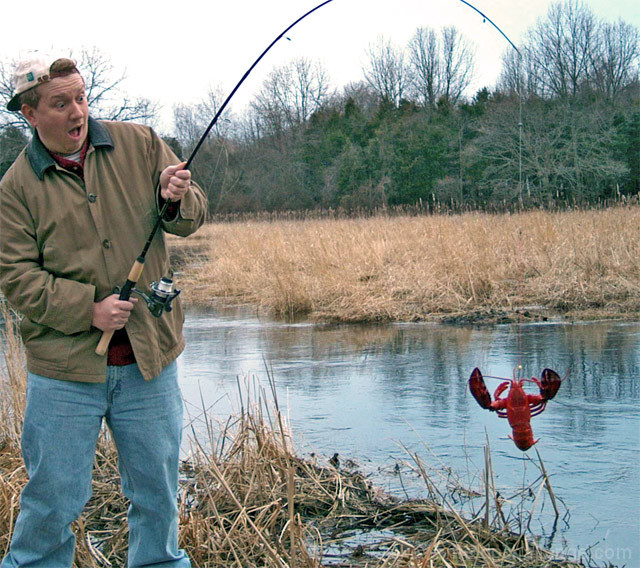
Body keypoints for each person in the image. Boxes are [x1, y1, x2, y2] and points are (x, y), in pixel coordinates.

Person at [0, 54, 208, 567]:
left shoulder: (140, 143)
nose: (77, 111)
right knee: (52, 502)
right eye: (60, 103)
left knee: (158, 497)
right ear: (29, 113)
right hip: (64, 374)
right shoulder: (14, 191)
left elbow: (193, 214)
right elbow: (16, 279)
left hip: (149, 363)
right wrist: (87, 310)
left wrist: (175, 197)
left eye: (81, 97)